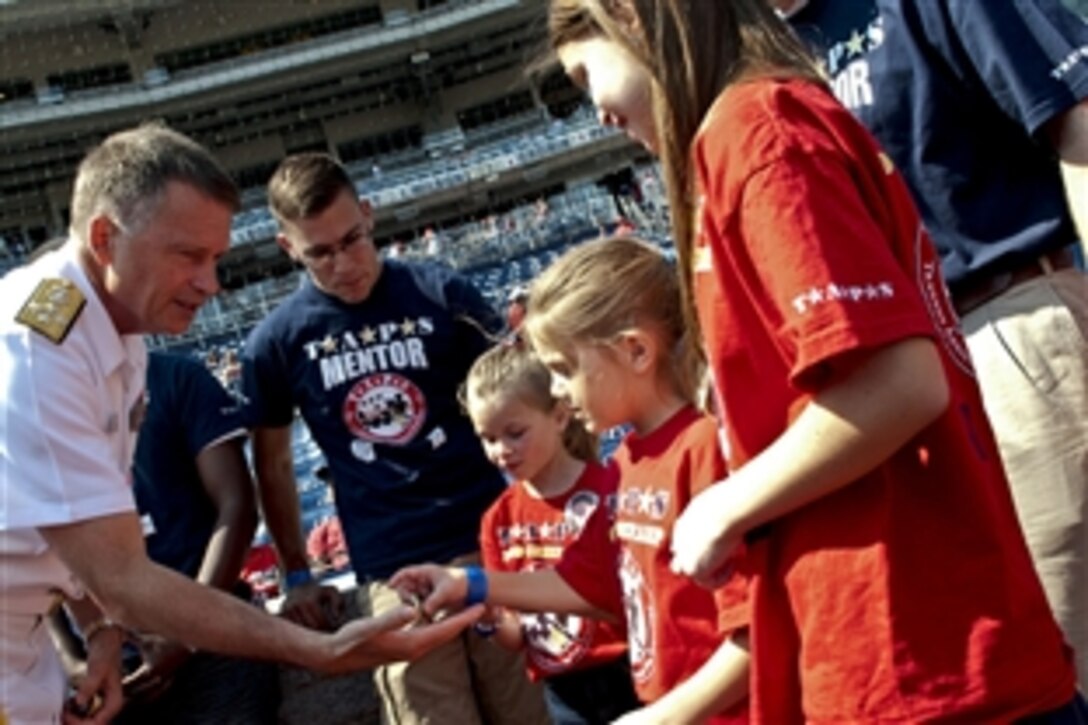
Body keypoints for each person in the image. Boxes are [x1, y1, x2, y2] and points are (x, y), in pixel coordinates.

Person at [545, 0, 1082, 721]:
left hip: (918, 636)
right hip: (883, 627)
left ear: (630, 15)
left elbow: (898, 379)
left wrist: (726, 505)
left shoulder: (756, 129)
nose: (599, 115)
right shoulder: (744, 129)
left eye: (585, 77)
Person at [0, 123, 480, 725]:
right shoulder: (37, 348)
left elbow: (66, 528)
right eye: (189, 256)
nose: (210, 283)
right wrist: (322, 650)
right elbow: (121, 576)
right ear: (105, 237)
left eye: (217, 258)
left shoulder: (115, 328)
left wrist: (99, 632)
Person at [778, 0, 1088, 687]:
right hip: (894, 387)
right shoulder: (760, 53)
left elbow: (1078, 123)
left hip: (1004, 316)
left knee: (1069, 627)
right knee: (1002, 655)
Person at [240, 152, 549, 725]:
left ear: (369, 213)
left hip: (487, 539)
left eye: (351, 239)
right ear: (288, 250)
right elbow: (274, 464)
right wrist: (299, 575)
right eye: (319, 253)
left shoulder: (444, 296)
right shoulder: (277, 342)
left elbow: (528, 400)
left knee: (522, 709)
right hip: (390, 567)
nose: (343, 263)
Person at [393, 238, 751, 724]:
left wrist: (667, 716)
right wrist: (466, 584)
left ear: (636, 351)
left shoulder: (704, 447)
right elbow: (585, 584)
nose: (557, 389)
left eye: (563, 370)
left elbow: (758, 628)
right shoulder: (627, 461)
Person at [462, 340, 641, 724]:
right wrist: (488, 619)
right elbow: (516, 637)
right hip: (561, 688)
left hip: (626, 669)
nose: (501, 451)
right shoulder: (498, 519)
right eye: (487, 438)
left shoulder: (609, 488)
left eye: (514, 433)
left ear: (560, 416)